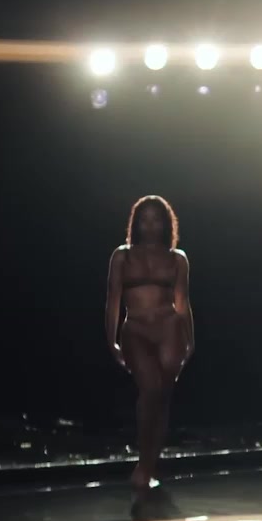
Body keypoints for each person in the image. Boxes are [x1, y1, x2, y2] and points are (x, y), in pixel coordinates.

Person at [104, 195, 193, 491]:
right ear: (136, 223)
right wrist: (111, 340)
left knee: (163, 396)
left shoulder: (177, 258)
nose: (150, 225)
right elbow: (113, 300)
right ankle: (143, 464)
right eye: (145, 220)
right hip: (136, 329)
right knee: (150, 389)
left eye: (156, 220)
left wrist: (190, 339)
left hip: (169, 327)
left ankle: (149, 466)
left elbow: (183, 302)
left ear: (166, 224)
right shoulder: (122, 256)